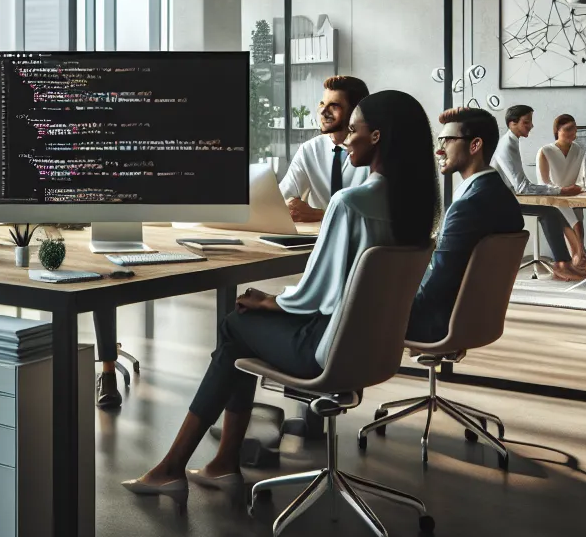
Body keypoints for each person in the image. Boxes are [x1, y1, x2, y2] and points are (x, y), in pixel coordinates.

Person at [122, 90, 438, 497]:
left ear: (376, 137)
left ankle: (177, 466)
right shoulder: (417, 206)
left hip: (327, 349)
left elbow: (317, 292)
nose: (345, 140)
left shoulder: (350, 203)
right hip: (375, 349)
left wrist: (270, 300)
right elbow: (350, 289)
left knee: (236, 325)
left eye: (354, 130)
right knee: (240, 333)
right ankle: (217, 464)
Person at [408, 107, 526, 342]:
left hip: (437, 323)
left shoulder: (467, 207)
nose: (438, 149)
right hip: (477, 320)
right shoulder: (501, 196)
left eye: (447, 140)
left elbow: (436, 287)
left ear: (475, 145)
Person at [495, 105, 586, 280]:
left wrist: (559, 190)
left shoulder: (512, 142)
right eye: (526, 122)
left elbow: (520, 186)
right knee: (550, 212)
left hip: (508, 196)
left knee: (553, 211)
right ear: (512, 123)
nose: (531, 126)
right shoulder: (507, 145)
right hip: (500, 201)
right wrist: (560, 190)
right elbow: (522, 187)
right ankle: (563, 264)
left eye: (530, 121)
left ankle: (569, 262)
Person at [278, 75, 371, 224]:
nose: (323, 112)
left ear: (355, 111)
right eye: (322, 104)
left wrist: (320, 215)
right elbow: (282, 198)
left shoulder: (372, 153)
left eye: (334, 106)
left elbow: (372, 215)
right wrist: (289, 206)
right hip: (316, 240)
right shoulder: (309, 150)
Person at [537, 113, 586, 270]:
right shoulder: (545, 151)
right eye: (568, 129)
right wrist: (562, 190)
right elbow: (543, 182)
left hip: (572, 196)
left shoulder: (579, 150)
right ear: (557, 130)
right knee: (575, 223)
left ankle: (579, 256)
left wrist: (585, 188)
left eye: (575, 129)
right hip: (554, 198)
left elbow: (583, 176)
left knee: (578, 219)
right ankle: (578, 257)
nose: (573, 133)